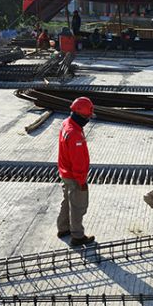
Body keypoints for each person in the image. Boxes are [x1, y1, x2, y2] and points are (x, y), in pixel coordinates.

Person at [57, 97, 96, 246]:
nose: (88, 119)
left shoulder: (67, 123)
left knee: (67, 201)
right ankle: (78, 236)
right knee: (78, 205)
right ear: (80, 115)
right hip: (74, 175)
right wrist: (81, 181)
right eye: (87, 117)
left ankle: (63, 228)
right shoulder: (75, 135)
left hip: (65, 172)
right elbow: (78, 161)